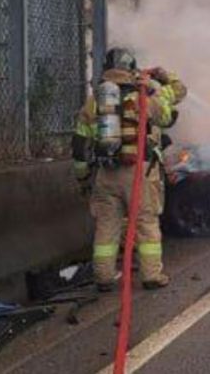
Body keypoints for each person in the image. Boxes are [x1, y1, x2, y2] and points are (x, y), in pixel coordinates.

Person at [72, 48, 187, 291]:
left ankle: (103, 277)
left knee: (107, 225)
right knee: (146, 222)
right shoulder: (145, 96)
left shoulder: (95, 102)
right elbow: (176, 99)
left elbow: (80, 146)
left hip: (106, 174)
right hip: (140, 173)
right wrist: (165, 77)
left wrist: (83, 179)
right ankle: (152, 276)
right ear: (132, 68)